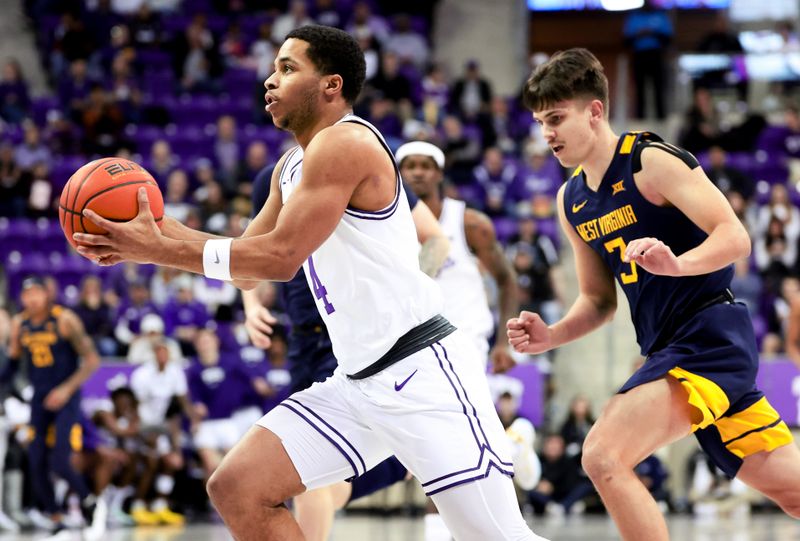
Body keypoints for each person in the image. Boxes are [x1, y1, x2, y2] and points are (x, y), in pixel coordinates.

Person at [73, 25, 546, 541]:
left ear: (331, 85)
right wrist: (157, 232)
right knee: (238, 487)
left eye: (287, 68)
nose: (270, 81)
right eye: (274, 67)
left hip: (423, 376)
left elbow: (279, 259)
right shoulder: (289, 165)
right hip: (357, 382)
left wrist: (155, 248)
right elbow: (248, 269)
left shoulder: (348, 141)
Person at [507, 48, 800, 541]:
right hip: (670, 348)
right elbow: (598, 302)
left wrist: (678, 264)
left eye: (556, 118)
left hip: (709, 337)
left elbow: (735, 236)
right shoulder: (571, 199)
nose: (547, 134)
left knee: (603, 454)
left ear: (595, 112)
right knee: (792, 493)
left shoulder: (649, 161)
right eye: (540, 122)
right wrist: (550, 335)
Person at [6, 276, 103, 535]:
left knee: (60, 457)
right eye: (27, 294)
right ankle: (56, 516)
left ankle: (88, 499)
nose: (32, 298)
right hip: (39, 397)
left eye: (37, 292)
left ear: (46, 294)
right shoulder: (20, 323)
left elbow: (92, 359)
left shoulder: (64, 319)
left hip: (66, 395)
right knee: (35, 459)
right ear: (22, 298)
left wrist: (66, 389)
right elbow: (13, 365)